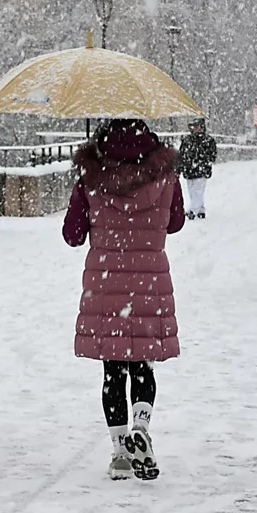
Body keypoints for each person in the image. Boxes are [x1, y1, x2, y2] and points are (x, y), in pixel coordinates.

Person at [62, 119, 185, 481]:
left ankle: (119, 452)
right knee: (143, 365)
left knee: (112, 372)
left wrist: (85, 199)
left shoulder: (91, 178)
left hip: (106, 282)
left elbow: (72, 234)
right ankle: (141, 426)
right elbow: (175, 223)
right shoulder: (165, 176)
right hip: (149, 283)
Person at [177, 118, 217, 219]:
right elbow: (181, 154)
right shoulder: (187, 140)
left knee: (198, 191)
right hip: (189, 170)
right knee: (192, 191)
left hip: (201, 170)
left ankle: (193, 210)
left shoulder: (208, 140)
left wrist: (200, 160)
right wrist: (180, 167)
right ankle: (200, 209)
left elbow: (212, 156)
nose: (195, 128)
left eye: (197, 126)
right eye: (194, 126)